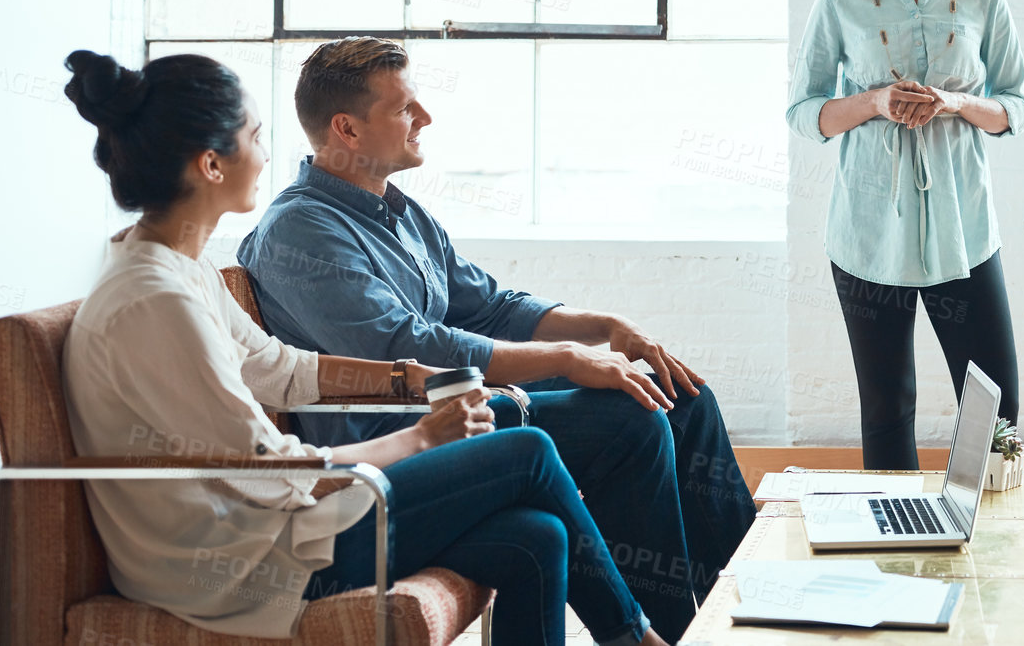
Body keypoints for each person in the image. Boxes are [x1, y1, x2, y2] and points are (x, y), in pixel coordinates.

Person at [60, 49, 665, 645]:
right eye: (256, 136)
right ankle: (635, 639)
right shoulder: (156, 299)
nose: (269, 153)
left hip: (268, 534)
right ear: (212, 166)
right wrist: (427, 434)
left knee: (535, 538)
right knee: (527, 451)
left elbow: (279, 368)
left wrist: (411, 378)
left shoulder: (177, 271)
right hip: (234, 568)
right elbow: (270, 471)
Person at [235, 37, 753, 641]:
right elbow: (410, 347)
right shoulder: (299, 232)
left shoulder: (401, 213)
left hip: (460, 408)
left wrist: (608, 330)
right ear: (347, 128)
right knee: (630, 419)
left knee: (680, 395)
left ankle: (752, 603)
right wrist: (568, 359)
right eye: (405, 109)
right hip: (401, 435)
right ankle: (673, 628)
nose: (424, 119)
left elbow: (490, 306)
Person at [785, 0, 1024, 471]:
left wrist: (953, 106)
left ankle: (992, 547)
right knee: (889, 408)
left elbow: (1016, 107)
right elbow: (804, 111)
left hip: (964, 231)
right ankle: (895, 562)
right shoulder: (841, 1)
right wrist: (873, 102)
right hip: (869, 238)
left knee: (995, 411)